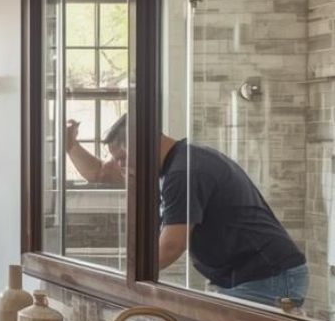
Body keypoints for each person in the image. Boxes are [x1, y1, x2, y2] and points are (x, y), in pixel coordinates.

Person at [66, 115, 308, 308]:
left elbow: (172, 245)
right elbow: (99, 173)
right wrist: (71, 146)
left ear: (143, 144)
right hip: (251, 276)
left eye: (123, 158)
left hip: (269, 278)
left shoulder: (183, 172)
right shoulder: (173, 163)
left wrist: (124, 282)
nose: (120, 166)